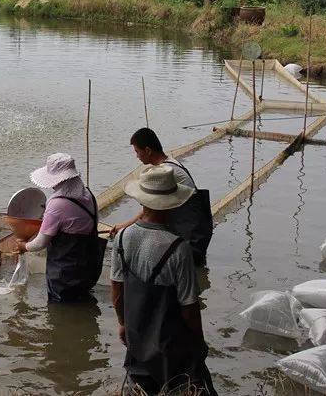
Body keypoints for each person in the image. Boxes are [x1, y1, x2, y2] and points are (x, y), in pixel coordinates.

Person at [111, 165, 217, 396]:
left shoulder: (122, 238)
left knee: (139, 386)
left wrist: (122, 323)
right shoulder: (180, 249)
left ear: (143, 202)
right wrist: (198, 342)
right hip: (171, 344)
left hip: (137, 336)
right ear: (174, 204)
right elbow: (189, 305)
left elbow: (116, 287)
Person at [111, 128, 212, 266]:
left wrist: (126, 227)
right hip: (194, 228)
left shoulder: (165, 172)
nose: (137, 156)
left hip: (190, 232)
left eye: (137, 151)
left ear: (148, 150)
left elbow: (151, 209)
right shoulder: (170, 164)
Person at [16, 153, 107, 303]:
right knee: (81, 302)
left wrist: (24, 246)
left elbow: (40, 243)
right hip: (89, 269)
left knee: (60, 309)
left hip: (65, 276)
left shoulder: (57, 204)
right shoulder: (88, 195)